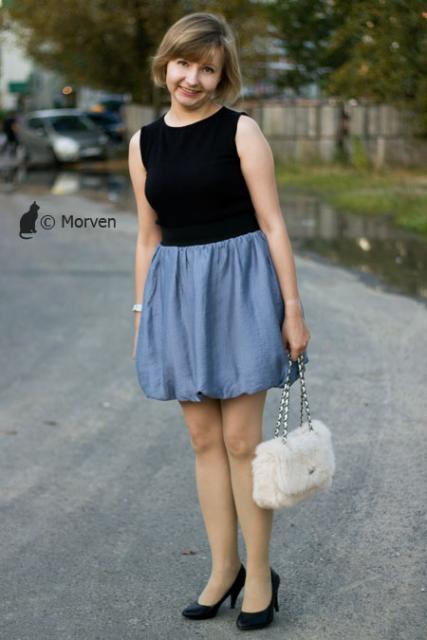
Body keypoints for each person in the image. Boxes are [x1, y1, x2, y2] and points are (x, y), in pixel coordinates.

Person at [128, 12, 311, 631]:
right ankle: (222, 569)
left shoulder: (241, 131)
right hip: (177, 295)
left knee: (241, 441)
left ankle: (259, 575)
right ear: (166, 65)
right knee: (203, 440)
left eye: (207, 69)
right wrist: (142, 313)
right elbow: (147, 237)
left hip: (242, 290)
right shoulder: (144, 143)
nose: (193, 78)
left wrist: (292, 310)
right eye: (184, 63)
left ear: (221, 76)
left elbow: (273, 225)